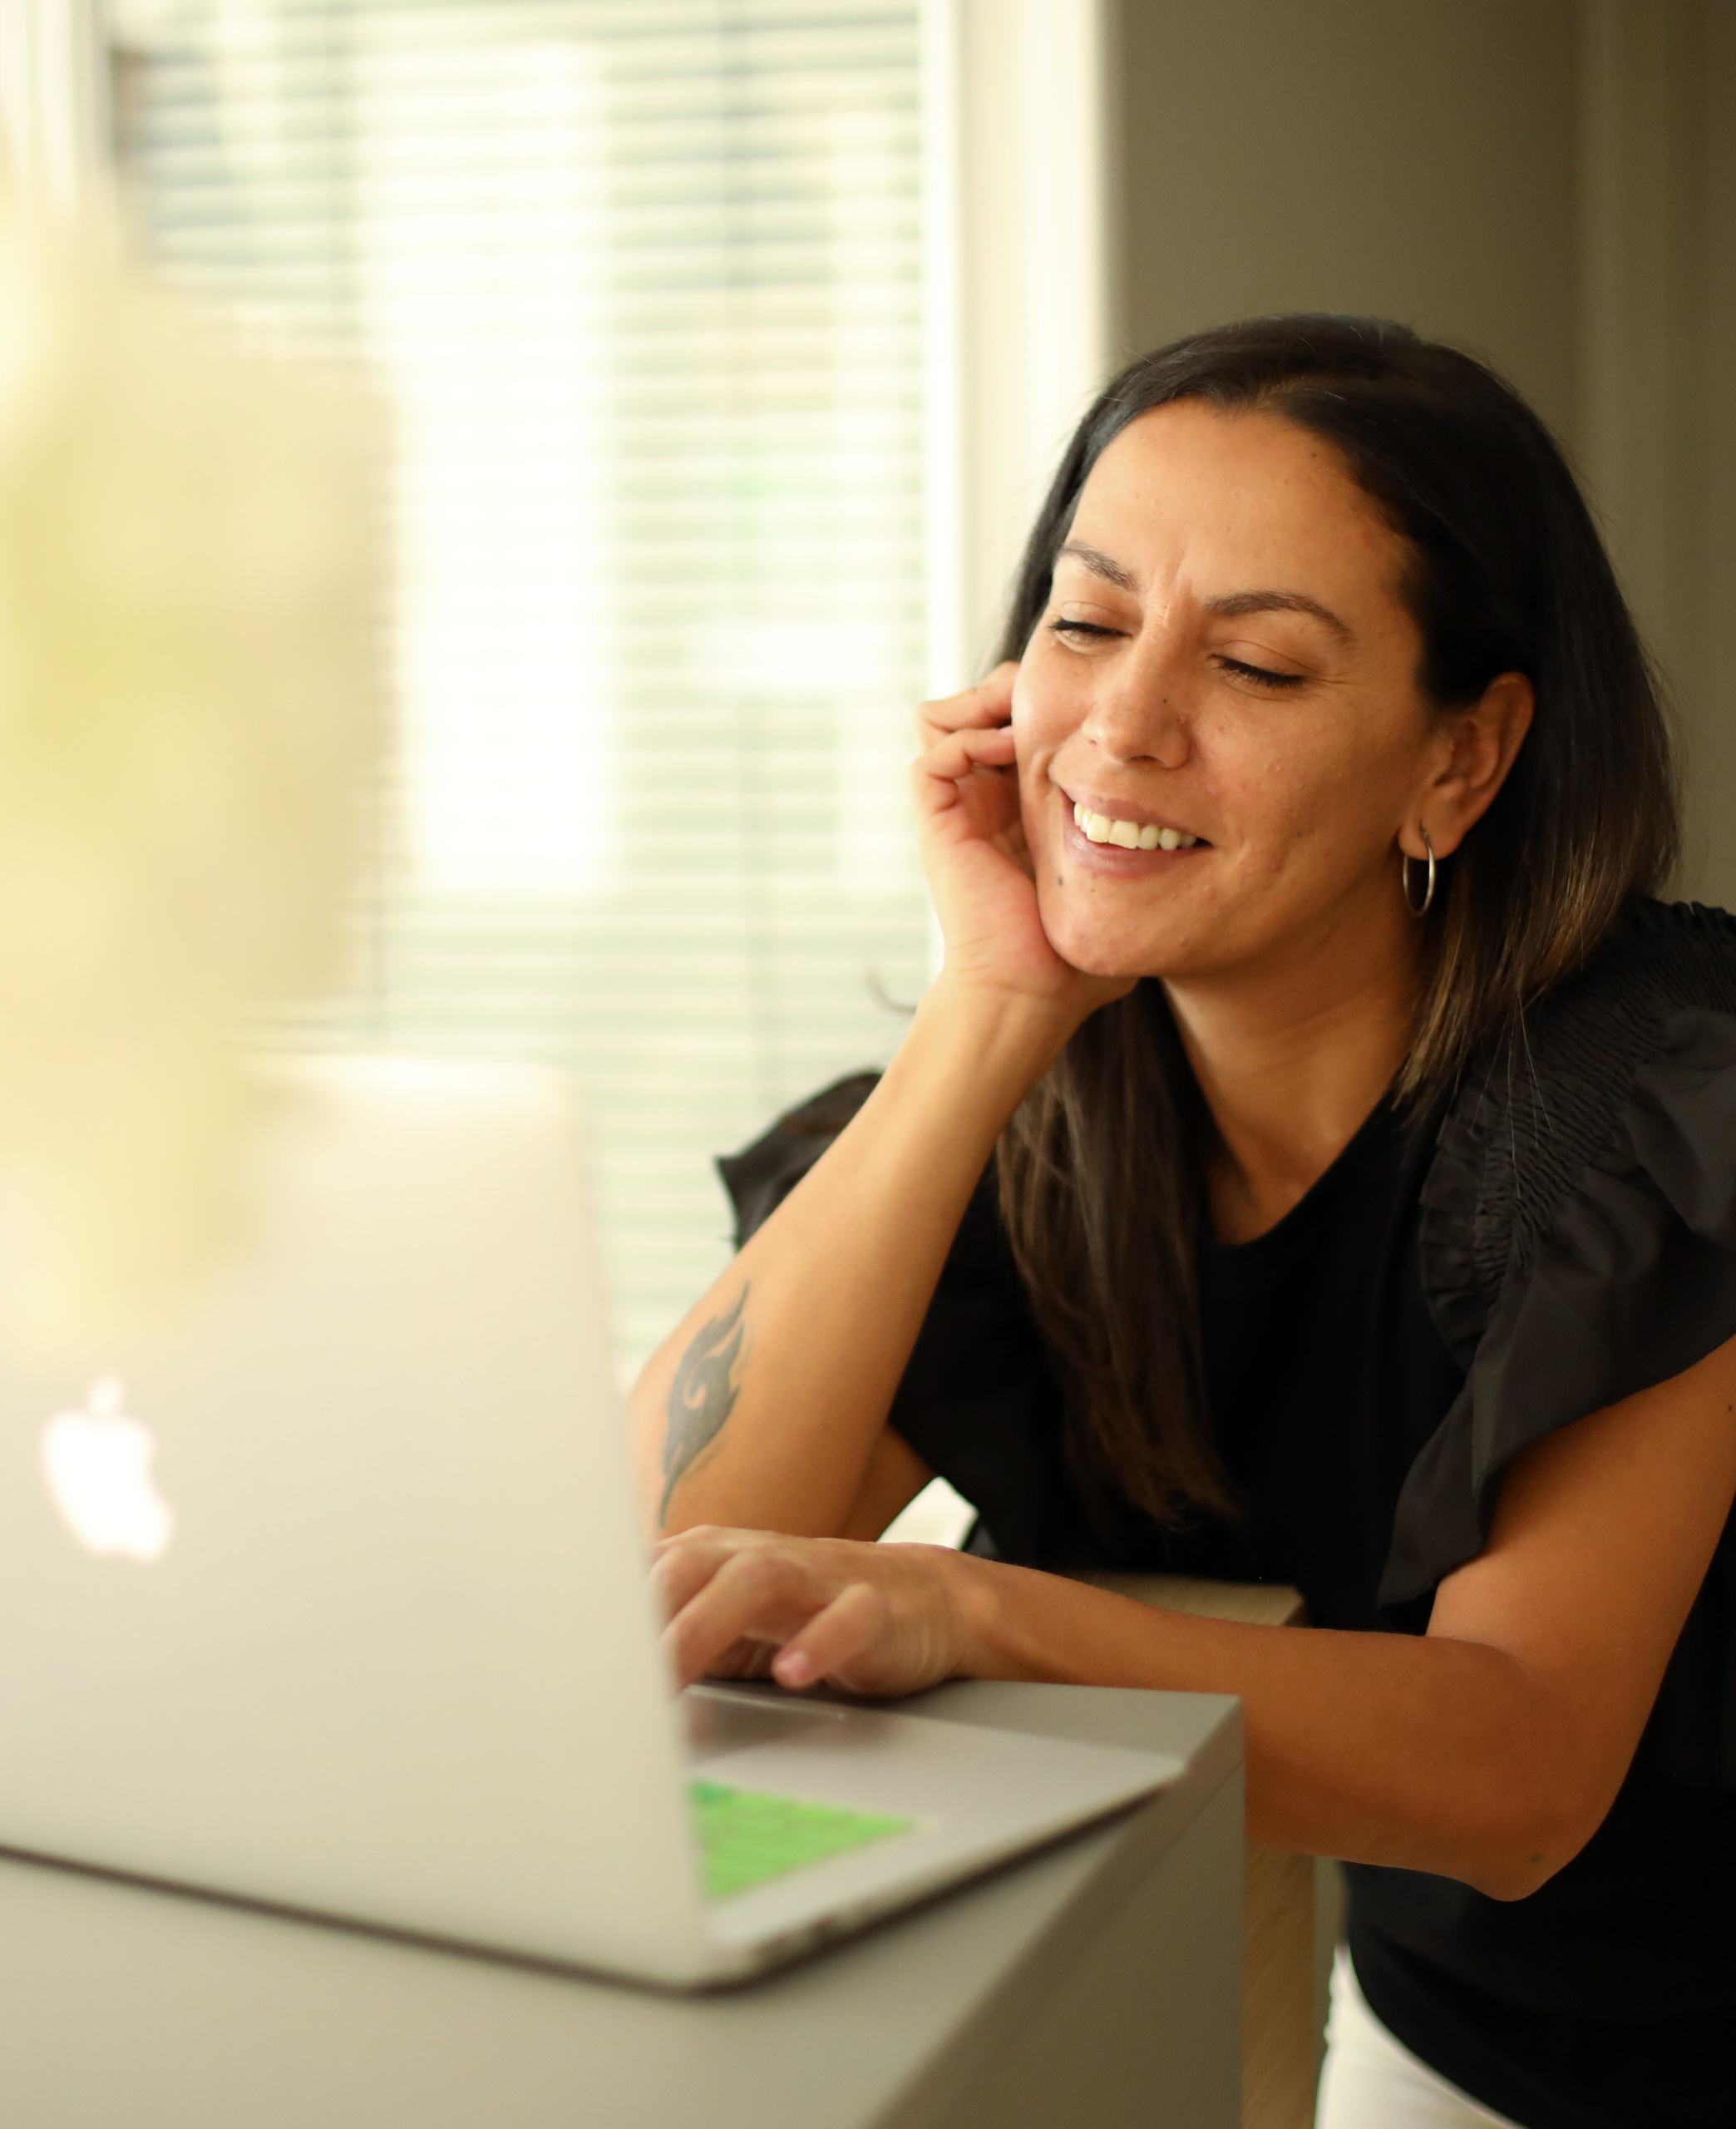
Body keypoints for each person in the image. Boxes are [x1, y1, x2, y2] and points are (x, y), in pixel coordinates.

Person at [629, 315, 1736, 2129]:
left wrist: (975, 1608)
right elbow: (660, 1561)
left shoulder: (1659, 1112)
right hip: (1458, 2037)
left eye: (1256, 665)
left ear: (1460, 761)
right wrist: (988, 1004)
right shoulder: (1030, 1109)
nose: (1122, 725)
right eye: (1083, 621)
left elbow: (1518, 1760)